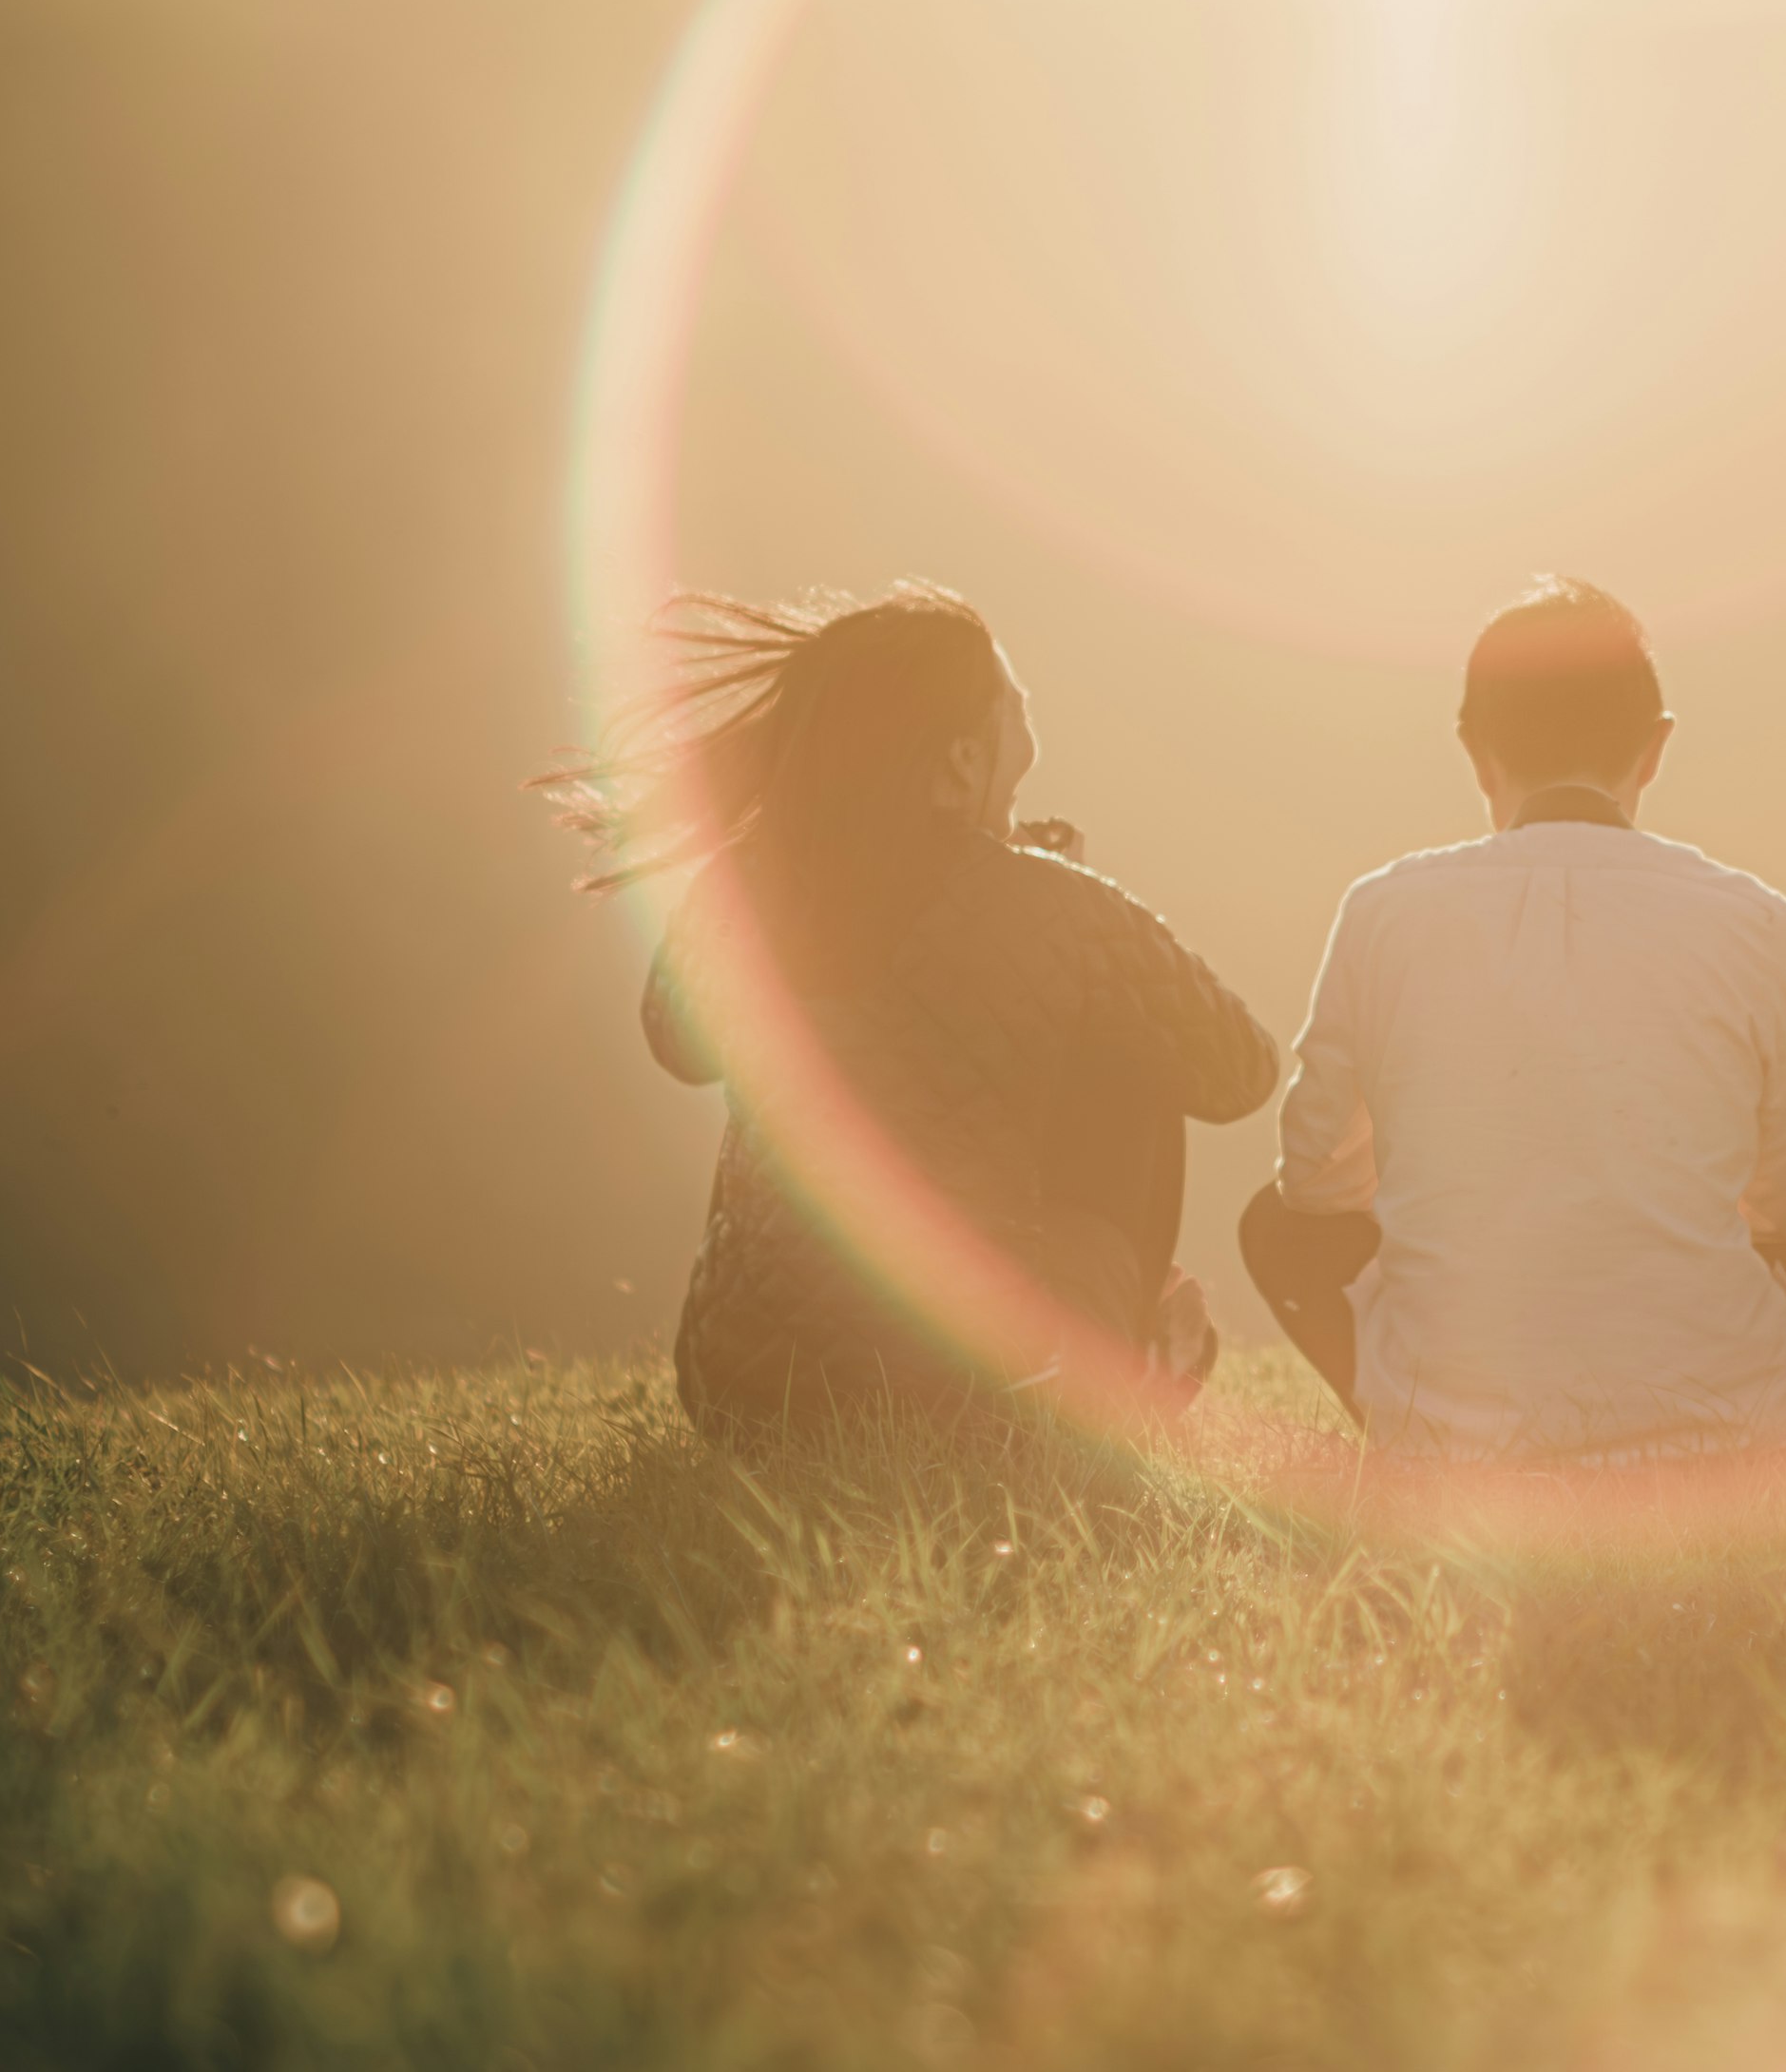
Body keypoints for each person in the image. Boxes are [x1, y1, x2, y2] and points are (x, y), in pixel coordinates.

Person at [538, 585, 1277, 1441]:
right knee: (1137, 1052)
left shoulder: (746, 887)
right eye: (1015, 712)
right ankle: (1115, 1359)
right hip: (961, 1393)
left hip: (740, 1389)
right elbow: (1241, 1072)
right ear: (963, 763)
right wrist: (1064, 937)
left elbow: (677, 1041)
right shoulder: (1058, 906)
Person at [1240, 578, 1786, 1459]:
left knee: (1277, 1225)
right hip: (1717, 1413)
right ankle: (1740, 1430)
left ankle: (1425, 1427)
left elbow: (1313, 1182)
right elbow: (1775, 1205)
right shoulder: (1757, 920)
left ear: (1474, 750)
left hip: (1452, 1403)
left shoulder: (1383, 909)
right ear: (1655, 750)